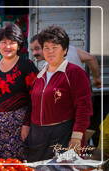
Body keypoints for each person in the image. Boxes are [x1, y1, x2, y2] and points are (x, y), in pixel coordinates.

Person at [26, 26, 93, 162]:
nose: (50, 52)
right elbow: (32, 104)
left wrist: (77, 136)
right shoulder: (40, 75)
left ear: (65, 50)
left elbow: (84, 106)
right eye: (46, 48)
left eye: (54, 47)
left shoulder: (74, 73)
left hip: (63, 134)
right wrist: (26, 125)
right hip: (37, 135)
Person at [0, 23, 38, 160]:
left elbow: (35, 99)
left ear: (19, 45)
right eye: (3, 42)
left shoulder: (27, 66)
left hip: (18, 129)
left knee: (14, 165)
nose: (7, 46)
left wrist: (27, 124)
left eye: (12, 42)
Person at [30, 34, 101, 88]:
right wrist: (96, 79)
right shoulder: (69, 49)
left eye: (37, 48)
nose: (34, 53)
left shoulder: (50, 65)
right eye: (32, 50)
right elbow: (91, 58)